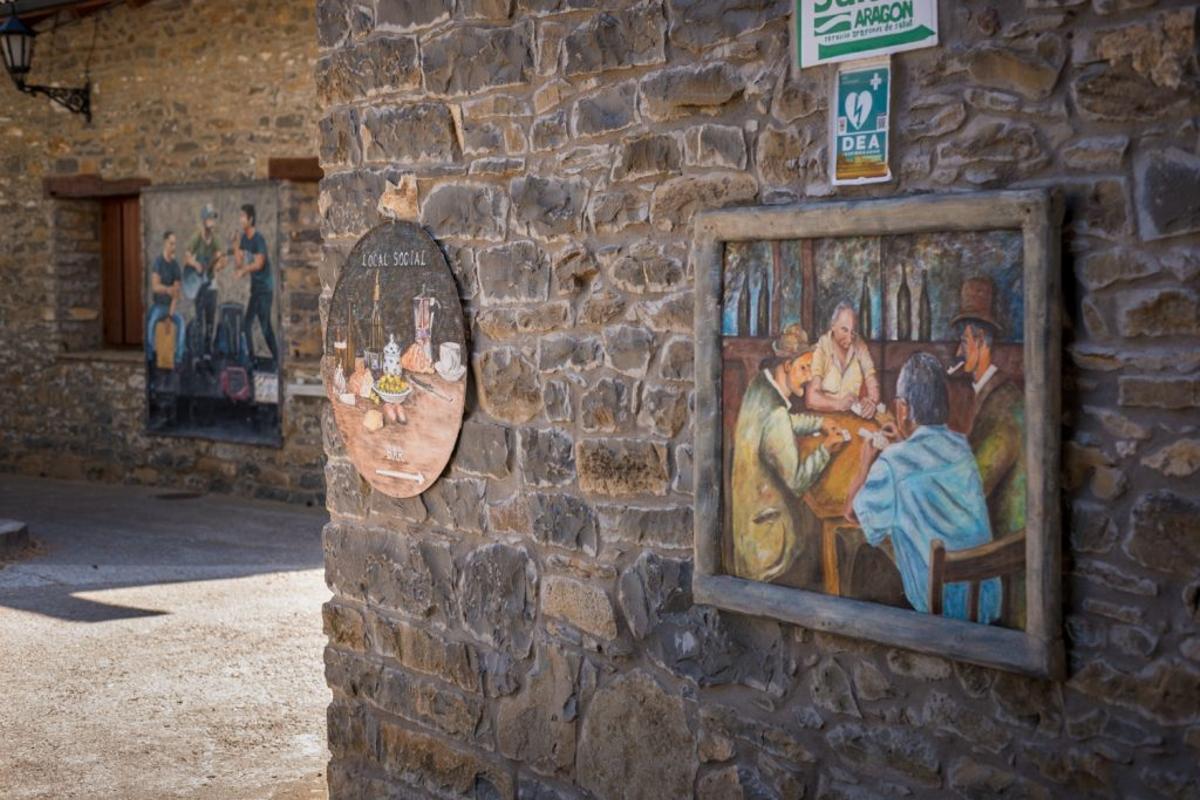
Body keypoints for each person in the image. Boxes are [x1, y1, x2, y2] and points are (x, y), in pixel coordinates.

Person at [846, 352, 1000, 623]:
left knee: (863, 558)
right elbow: (924, 467)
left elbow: (852, 513)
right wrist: (905, 442)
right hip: (984, 606)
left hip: (935, 612)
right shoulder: (962, 449)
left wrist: (864, 463)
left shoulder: (893, 464)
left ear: (902, 409)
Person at [731, 324, 847, 584]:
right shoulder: (776, 415)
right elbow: (797, 482)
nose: (808, 377)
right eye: (803, 368)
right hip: (771, 548)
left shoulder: (759, 387)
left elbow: (780, 424)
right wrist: (826, 448)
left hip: (747, 532)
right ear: (786, 366)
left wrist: (817, 424)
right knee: (821, 526)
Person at [952, 276, 1026, 541]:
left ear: (981, 341)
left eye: (963, 342)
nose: (958, 353)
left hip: (1004, 545)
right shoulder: (994, 395)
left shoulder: (1004, 404)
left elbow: (974, 487)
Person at [806, 301, 881, 413]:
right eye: (844, 330)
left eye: (853, 332)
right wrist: (838, 404)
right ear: (833, 326)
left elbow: (872, 381)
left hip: (852, 417)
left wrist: (872, 401)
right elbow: (811, 398)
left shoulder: (859, 345)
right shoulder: (822, 347)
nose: (850, 339)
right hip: (826, 417)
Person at [231, 203, 279, 369]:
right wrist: (236, 246)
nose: (240, 219)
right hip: (256, 290)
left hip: (265, 289)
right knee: (246, 325)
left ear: (250, 219)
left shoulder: (258, 239)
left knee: (265, 326)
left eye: (243, 216)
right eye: (240, 216)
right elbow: (239, 263)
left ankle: (277, 360)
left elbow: (259, 263)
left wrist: (244, 270)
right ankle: (252, 360)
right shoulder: (244, 238)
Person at [184, 203, 227, 354]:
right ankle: (199, 354)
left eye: (213, 218)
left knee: (210, 321)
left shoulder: (215, 240)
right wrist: (195, 264)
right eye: (209, 218)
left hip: (211, 285)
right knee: (199, 320)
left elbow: (223, 260)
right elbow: (187, 257)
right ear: (204, 220)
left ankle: (208, 353)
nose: (212, 221)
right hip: (199, 286)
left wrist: (218, 265)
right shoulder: (197, 238)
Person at [146, 231, 186, 367]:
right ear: (165, 243)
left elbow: (176, 294)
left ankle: (179, 358)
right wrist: (167, 289)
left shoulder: (175, 267)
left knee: (181, 322)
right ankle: (150, 356)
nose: (173, 247)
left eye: (175, 244)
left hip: (169, 307)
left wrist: (170, 315)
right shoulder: (158, 263)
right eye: (171, 243)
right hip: (158, 305)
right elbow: (155, 287)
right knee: (151, 322)